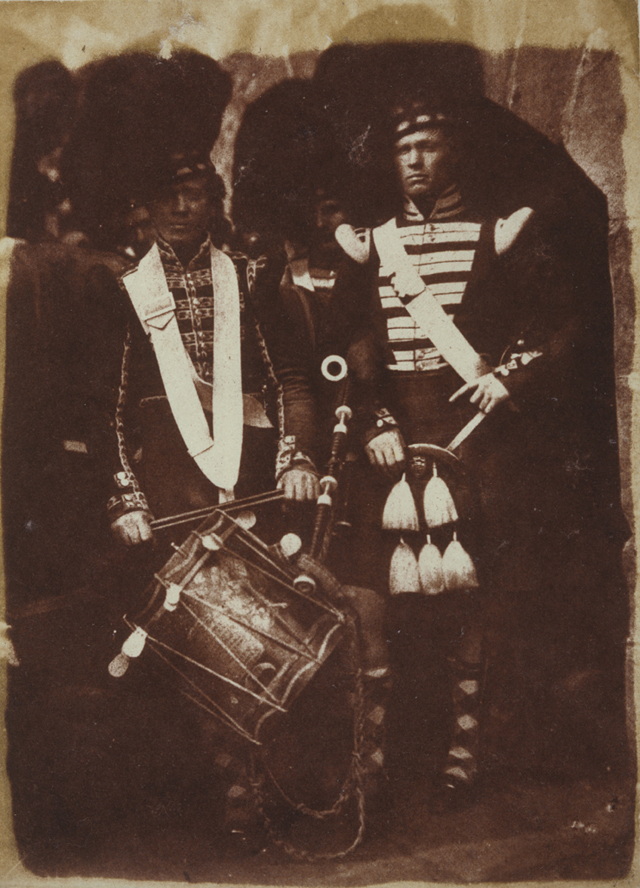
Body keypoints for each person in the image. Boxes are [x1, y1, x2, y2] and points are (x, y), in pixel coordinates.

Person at [329, 89, 628, 803]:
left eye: (428, 146)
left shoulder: (502, 236)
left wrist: (511, 379)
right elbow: (352, 343)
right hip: (395, 450)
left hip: (479, 446)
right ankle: (380, 760)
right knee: (377, 602)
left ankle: (467, 755)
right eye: (404, 150)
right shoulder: (373, 245)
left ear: (453, 151)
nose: (415, 161)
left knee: (477, 604)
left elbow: (566, 324)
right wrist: (374, 422)